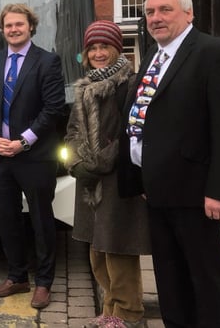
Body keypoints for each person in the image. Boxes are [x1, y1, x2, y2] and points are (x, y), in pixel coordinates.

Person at [120, 0, 220, 327]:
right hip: (157, 191)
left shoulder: (214, 53)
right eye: (150, 12)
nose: (156, 18)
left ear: (189, 13)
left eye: (165, 10)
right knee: (170, 280)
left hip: (196, 192)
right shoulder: (153, 55)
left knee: (207, 278)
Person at [0, 3, 66, 309]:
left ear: (31, 27)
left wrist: (23, 142)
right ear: (2, 30)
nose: (13, 29)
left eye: (19, 24)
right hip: (0, 156)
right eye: (8, 25)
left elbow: (53, 108)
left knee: (41, 220)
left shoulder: (48, 61)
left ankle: (44, 282)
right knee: (7, 220)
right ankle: (17, 277)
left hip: (35, 156)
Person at [65, 20, 150, 328]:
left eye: (104, 47)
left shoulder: (130, 85)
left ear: (116, 49)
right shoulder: (85, 86)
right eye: (93, 48)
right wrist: (75, 162)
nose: (98, 53)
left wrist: (100, 161)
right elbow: (72, 131)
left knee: (119, 248)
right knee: (97, 249)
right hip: (89, 181)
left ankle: (128, 313)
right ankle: (110, 309)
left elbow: (131, 133)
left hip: (116, 180)